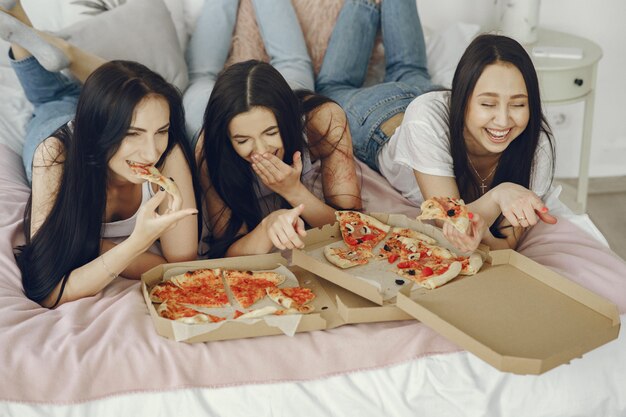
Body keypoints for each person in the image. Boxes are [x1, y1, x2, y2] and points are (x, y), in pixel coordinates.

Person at [317, 0, 557, 252]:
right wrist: (499, 195)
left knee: (410, 69)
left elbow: (504, 244)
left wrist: (483, 229)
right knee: (333, 87)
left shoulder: (537, 146)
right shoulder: (427, 119)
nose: (503, 120)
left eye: (518, 105)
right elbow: (445, 219)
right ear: (463, 99)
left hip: (426, 94)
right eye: (488, 104)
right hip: (380, 117)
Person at [2, 2, 199, 307]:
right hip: (59, 133)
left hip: (102, 126)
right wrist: (136, 244)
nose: (151, 152)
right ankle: (28, 32)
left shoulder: (167, 151)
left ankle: (48, 42)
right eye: (132, 134)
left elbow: (181, 264)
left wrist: (87, 246)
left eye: (161, 130)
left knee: (114, 98)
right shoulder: (53, 155)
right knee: (49, 100)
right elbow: (48, 289)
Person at [184, 0, 362, 257]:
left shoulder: (323, 119)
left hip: (285, 94)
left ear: (286, 121)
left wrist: (293, 190)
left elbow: (354, 227)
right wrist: (268, 224)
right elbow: (230, 250)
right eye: (243, 139)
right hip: (204, 107)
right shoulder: (210, 147)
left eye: (270, 133)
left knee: (293, 61)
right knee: (201, 75)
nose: (261, 150)